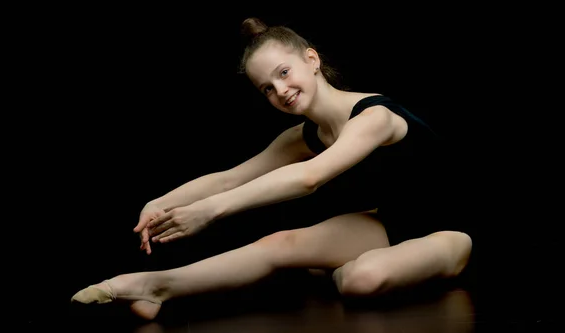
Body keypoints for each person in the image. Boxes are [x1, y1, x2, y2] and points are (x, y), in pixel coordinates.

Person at [71, 17, 473, 321]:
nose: (280, 91)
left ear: (311, 59)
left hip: (452, 233)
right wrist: (158, 202)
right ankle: (154, 287)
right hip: (389, 224)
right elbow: (230, 177)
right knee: (278, 244)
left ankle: (334, 268)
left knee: (360, 279)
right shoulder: (303, 135)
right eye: (266, 88)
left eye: (283, 73)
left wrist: (210, 211)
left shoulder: (375, 117)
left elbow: (308, 178)